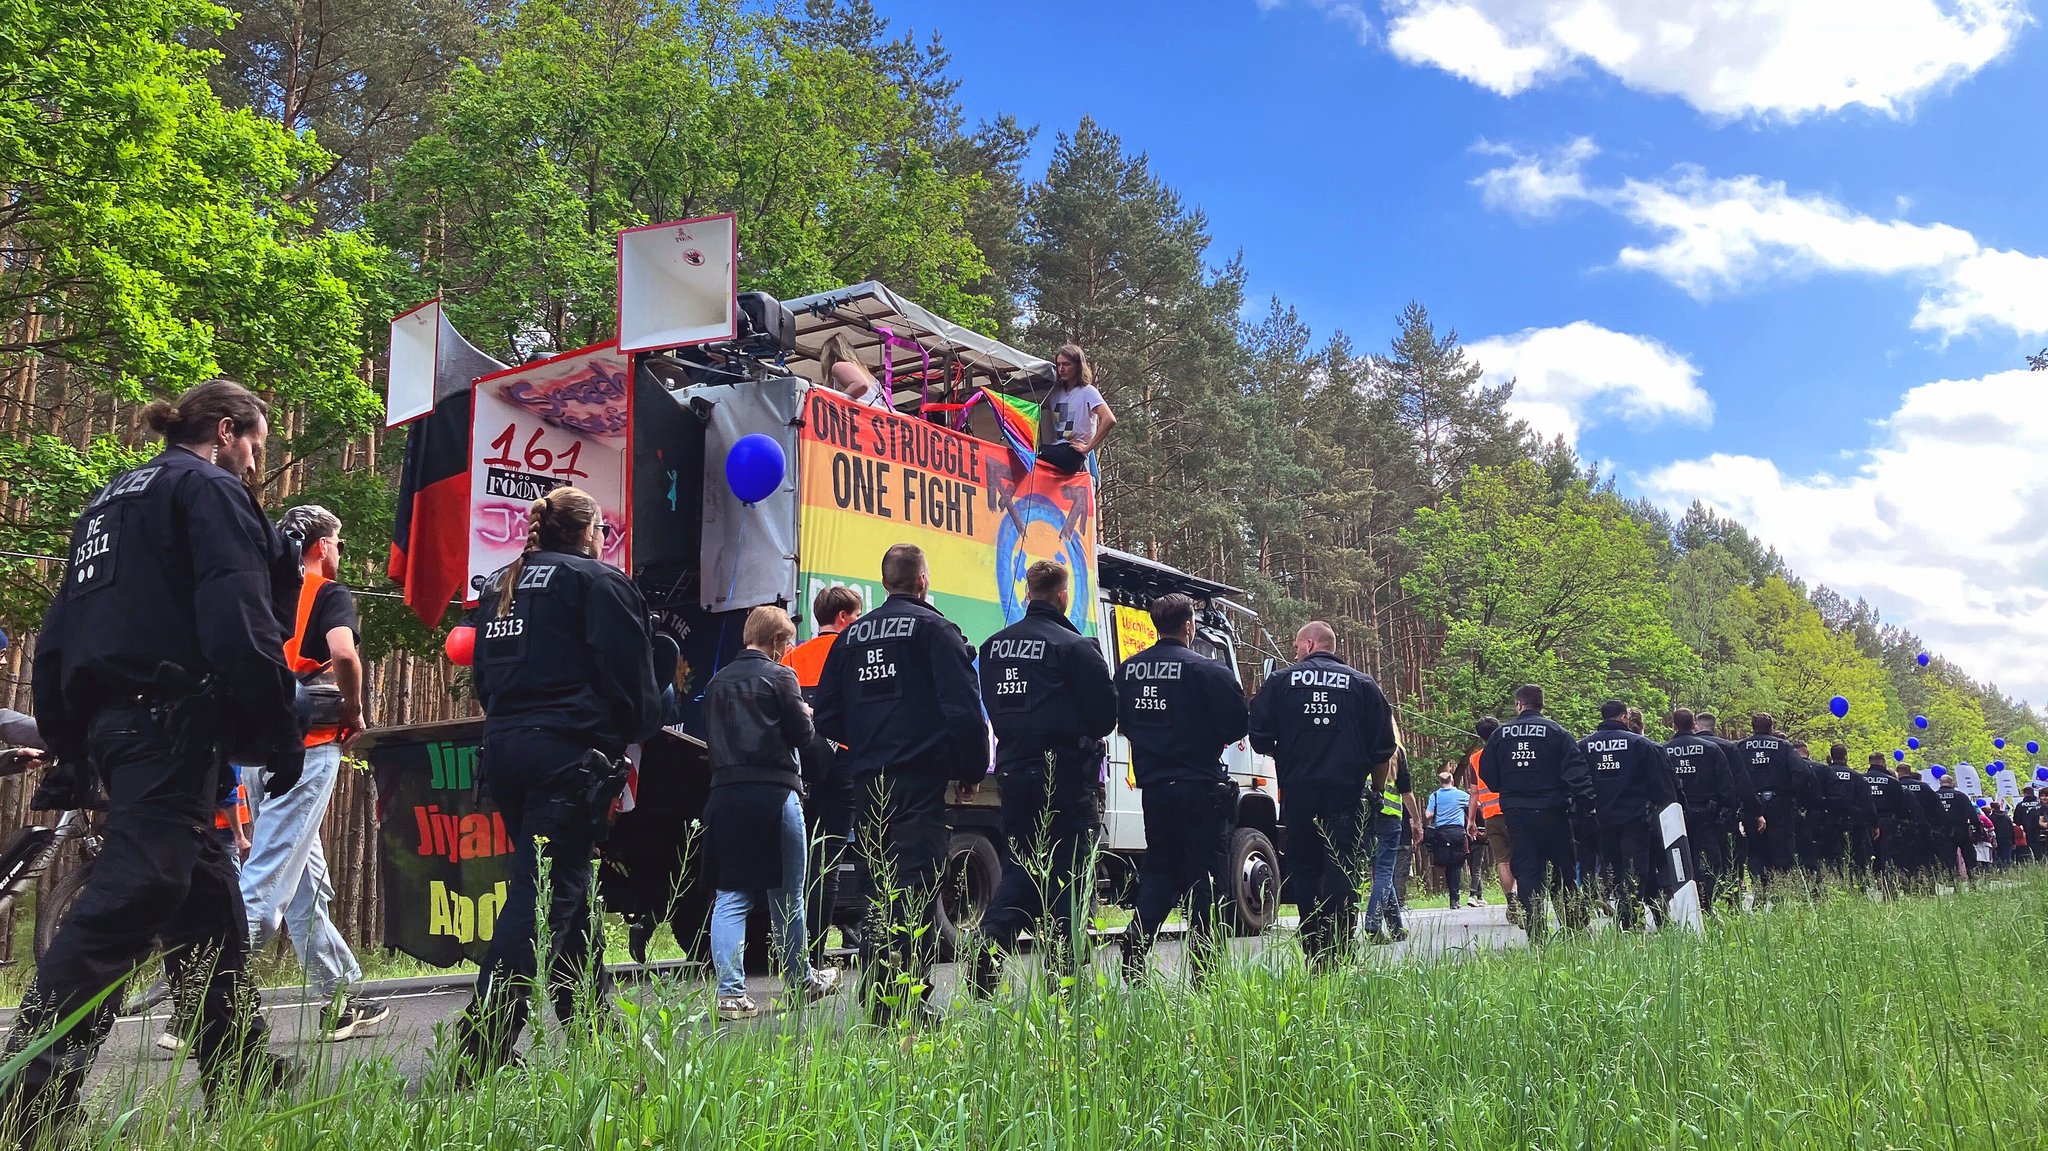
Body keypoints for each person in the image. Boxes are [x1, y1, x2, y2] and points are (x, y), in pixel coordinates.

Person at [3, 379, 306, 1141]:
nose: (252, 464)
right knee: (137, 890)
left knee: (207, 898)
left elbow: (64, 621)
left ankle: (241, 1073)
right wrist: (277, 725)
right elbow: (240, 617)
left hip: (113, 721)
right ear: (230, 431)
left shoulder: (109, 501)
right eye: (256, 448)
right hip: (169, 720)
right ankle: (28, 1091)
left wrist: (72, 740)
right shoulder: (209, 492)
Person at [451, 486, 662, 1080]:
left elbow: (486, 680)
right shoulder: (597, 582)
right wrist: (631, 729)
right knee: (545, 894)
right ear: (590, 530)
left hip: (507, 750)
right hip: (566, 753)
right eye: (600, 530)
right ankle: (482, 1044)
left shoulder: (499, 585)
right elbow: (634, 681)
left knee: (564, 882)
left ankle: (591, 1020)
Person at [225, 504, 386, 1044]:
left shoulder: (260, 588)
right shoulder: (326, 592)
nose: (339, 554)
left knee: (306, 886)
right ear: (320, 546)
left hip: (252, 748)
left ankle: (340, 998)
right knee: (268, 880)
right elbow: (343, 651)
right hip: (309, 745)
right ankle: (200, 1001)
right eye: (337, 543)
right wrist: (353, 707)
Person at [816, 544, 987, 1024]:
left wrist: (871, 742)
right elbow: (963, 709)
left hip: (868, 780)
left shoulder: (850, 640)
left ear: (886, 581)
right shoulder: (935, 630)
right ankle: (903, 1004)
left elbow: (827, 715)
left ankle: (880, 999)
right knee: (917, 887)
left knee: (879, 888)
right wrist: (970, 769)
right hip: (919, 778)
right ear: (923, 580)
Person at [972, 561, 1117, 992]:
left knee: (1022, 868)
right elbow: (1106, 716)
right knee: (1071, 874)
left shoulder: (994, 647)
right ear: (1063, 594)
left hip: (1015, 773)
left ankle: (991, 943)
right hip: (1066, 776)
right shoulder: (1075, 647)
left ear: (1027, 592)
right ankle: (1064, 979)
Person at [704, 606, 842, 1020]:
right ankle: (800, 981)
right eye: (789, 642)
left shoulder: (715, 682)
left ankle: (730, 995)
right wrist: (810, 718)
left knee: (730, 895)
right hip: (775, 791)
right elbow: (803, 735)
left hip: (724, 794)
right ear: (779, 643)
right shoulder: (781, 676)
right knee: (788, 895)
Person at [1115, 593, 1248, 983]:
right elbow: (1237, 726)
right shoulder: (1208, 671)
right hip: (1201, 787)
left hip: (1155, 788)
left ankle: (1137, 940)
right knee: (1207, 879)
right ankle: (1205, 974)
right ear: (1189, 625)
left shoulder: (1129, 671)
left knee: (1160, 870)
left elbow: (1123, 722)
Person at [1247, 620, 1396, 969]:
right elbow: (1382, 751)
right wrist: (1375, 793)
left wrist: (1291, 750)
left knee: (1304, 869)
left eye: (1298, 646)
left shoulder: (1281, 682)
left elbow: (1259, 737)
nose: (1295, 652)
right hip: (1346, 794)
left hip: (1299, 794)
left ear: (1311, 645)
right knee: (1343, 868)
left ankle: (1314, 944)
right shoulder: (1363, 685)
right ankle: (1340, 947)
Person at [784, 584, 864, 965]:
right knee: (829, 861)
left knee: (801, 862)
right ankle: (814, 957)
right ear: (844, 617)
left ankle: (794, 953)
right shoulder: (852, 652)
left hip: (801, 766)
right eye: (857, 616)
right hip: (845, 763)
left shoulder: (792, 657)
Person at [1478, 685, 1594, 940]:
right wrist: (1586, 805)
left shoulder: (1500, 735)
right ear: (1542, 704)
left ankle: (1536, 931)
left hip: (1517, 813)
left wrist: (1505, 787)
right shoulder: (1557, 732)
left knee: (1528, 869)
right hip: (1553, 811)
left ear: (1519, 704)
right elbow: (1577, 771)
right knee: (1561, 867)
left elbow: (1488, 772)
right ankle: (1573, 925)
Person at [1579, 701, 1676, 931]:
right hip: (1636, 820)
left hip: (1601, 820)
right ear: (1624, 717)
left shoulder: (1584, 746)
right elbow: (1662, 786)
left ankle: (1625, 913)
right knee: (1635, 869)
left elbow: (1578, 783)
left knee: (1612, 868)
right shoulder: (1641, 744)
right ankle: (1629, 918)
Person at [1663, 709, 1755, 913]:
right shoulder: (1712, 749)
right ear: (1693, 725)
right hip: (1709, 815)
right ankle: (1706, 903)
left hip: (1676, 817)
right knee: (1711, 861)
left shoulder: (1664, 751)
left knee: (1680, 861)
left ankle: (1685, 904)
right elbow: (1727, 785)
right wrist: (1729, 813)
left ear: (1674, 725)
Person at [1736, 715, 1811, 898]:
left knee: (1755, 852)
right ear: (1771, 727)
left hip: (1751, 806)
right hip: (1779, 805)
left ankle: (1760, 895)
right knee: (1782, 851)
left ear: (1752, 727)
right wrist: (1790, 794)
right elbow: (1802, 772)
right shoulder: (1783, 747)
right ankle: (1780, 895)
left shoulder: (1739, 747)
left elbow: (1733, 776)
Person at [1035, 344, 1116, 475]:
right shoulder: (1054, 392)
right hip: (1056, 449)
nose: (1061, 369)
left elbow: (1109, 419)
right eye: (1059, 364)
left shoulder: (1088, 392)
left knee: (1033, 453)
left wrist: (1087, 448)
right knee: (1024, 452)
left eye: (1066, 364)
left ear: (1078, 366)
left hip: (1073, 453)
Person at [1364, 746, 1415, 944]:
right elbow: (1406, 791)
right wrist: (1416, 821)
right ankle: (1373, 922)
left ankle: (1396, 929)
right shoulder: (1396, 749)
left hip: (1365, 814)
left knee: (1380, 873)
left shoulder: (1361, 741)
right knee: (1385, 873)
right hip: (1390, 816)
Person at [1467, 717, 1515, 920]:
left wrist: (1470, 821)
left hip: (1490, 816)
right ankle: (1521, 898)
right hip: (1513, 811)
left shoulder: (1475, 759)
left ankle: (1510, 899)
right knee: (1520, 856)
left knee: (1503, 860)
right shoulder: (1510, 751)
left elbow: (1474, 793)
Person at [1816, 744, 1879, 883]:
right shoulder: (1856, 777)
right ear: (1846, 757)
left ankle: (1832, 882)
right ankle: (1856, 884)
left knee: (1830, 856)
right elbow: (1867, 802)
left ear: (1831, 756)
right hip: (1854, 824)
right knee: (1856, 857)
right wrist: (1874, 823)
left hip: (1827, 822)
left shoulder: (1823, 773)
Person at [1425, 768, 1475, 913]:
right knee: (1457, 864)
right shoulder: (1461, 795)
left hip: (1441, 834)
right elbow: (1475, 805)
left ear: (1440, 782)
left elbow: (1428, 814)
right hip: (1458, 833)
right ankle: (1456, 898)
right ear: (1452, 780)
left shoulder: (1434, 795)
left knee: (1446, 864)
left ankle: (1453, 898)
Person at [1864, 753, 1915, 893]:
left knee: (1867, 856)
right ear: (1883, 763)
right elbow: (1902, 806)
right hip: (1888, 822)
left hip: (1865, 823)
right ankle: (1889, 890)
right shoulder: (1892, 781)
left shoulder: (1861, 779)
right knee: (1888, 857)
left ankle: (1869, 888)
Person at [818, 332, 895, 409]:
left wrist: (837, 404)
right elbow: (888, 406)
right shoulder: (869, 376)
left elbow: (861, 384)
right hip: (874, 418)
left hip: (861, 416)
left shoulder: (838, 366)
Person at [1927, 771, 1978, 887]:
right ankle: (1973, 881)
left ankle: (1953, 882)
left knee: (1948, 858)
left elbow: (1929, 814)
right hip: (1961, 830)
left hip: (1943, 832)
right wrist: (1977, 829)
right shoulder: (1960, 796)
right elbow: (1972, 814)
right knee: (1969, 856)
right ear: (1952, 783)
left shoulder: (1933, 796)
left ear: (1940, 783)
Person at [1988, 798, 2015, 868]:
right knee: (2007, 856)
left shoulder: (1991, 818)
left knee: (1998, 856)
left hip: (1997, 840)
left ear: (1992, 808)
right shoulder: (2006, 817)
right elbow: (2012, 830)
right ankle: (2008, 870)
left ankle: (2000, 870)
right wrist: (2013, 842)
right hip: (2007, 839)